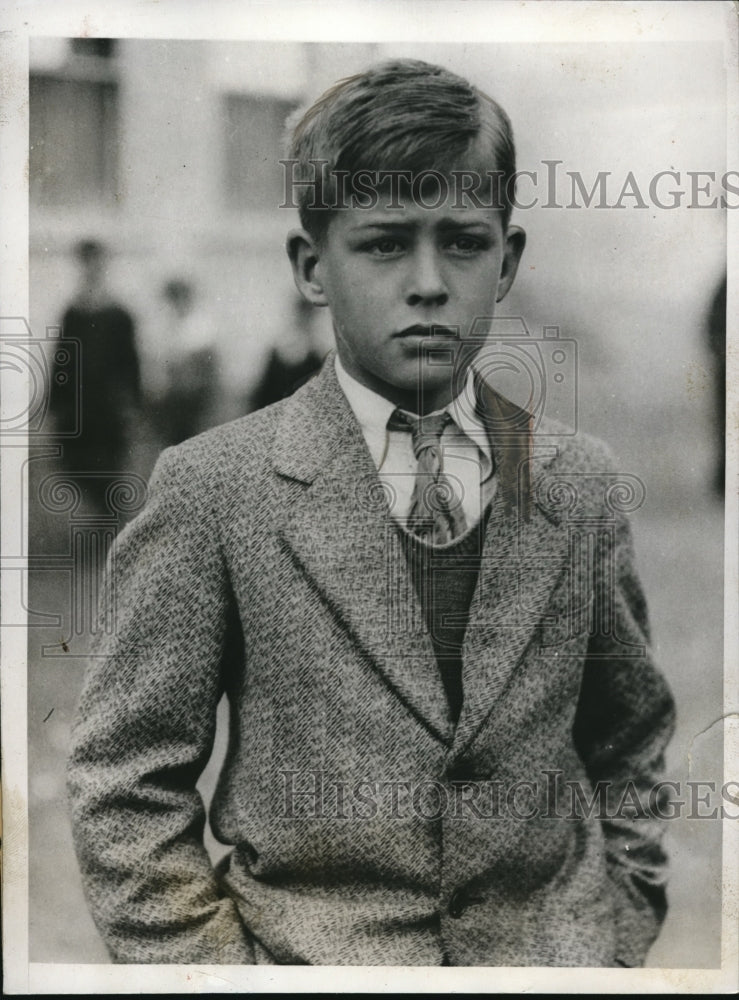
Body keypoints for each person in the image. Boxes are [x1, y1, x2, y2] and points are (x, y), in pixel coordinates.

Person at [67, 59, 676, 967]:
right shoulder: (213, 489)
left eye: (463, 242)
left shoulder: (577, 482)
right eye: (384, 243)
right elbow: (125, 782)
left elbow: (629, 737)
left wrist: (613, 932)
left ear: (507, 261)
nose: (428, 282)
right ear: (312, 267)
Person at [49, 239, 141, 513]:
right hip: (78, 409)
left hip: (108, 408)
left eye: (96, 262)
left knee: (108, 467)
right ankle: (101, 517)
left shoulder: (119, 314)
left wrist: (132, 404)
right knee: (76, 465)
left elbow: (131, 363)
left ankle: (111, 524)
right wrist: (55, 403)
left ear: (103, 266)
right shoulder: (72, 313)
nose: (91, 269)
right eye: (86, 263)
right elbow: (61, 362)